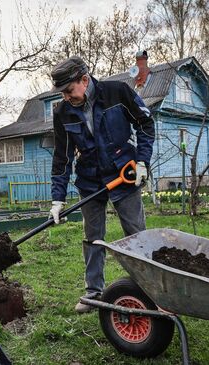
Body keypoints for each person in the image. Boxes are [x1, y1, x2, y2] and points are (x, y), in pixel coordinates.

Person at [49, 55, 155, 313]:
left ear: (84, 80)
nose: (66, 97)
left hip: (124, 174)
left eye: (69, 91)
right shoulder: (62, 112)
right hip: (91, 180)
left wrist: (142, 162)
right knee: (92, 237)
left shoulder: (117, 93)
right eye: (61, 93)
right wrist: (57, 198)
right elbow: (62, 157)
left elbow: (145, 124)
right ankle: (94, 293)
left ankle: (148, 290)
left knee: (136, 235)